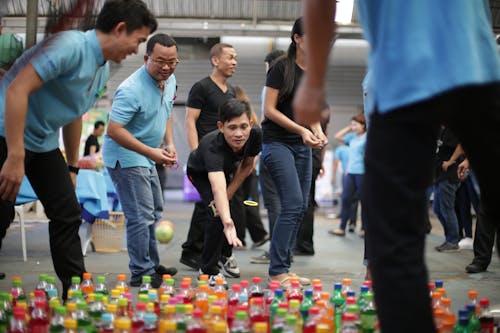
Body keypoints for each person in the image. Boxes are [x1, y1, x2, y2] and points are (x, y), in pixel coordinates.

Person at [294, 1, 500, 332]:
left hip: (405, 77)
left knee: (393, 240)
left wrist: (315, 80)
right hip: (472, 66)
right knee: (391, 237)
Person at [0, 0, 157, 299]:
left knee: (67, 213)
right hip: (6, 133)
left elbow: (74, 112)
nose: (136, 50)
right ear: (120, 29)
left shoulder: (103, 67)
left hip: (43, 143)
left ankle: (75, 291)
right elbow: (16, 89)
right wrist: (15, 153)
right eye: (138, 41)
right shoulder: (70, 47)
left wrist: (72, 166)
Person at [102, 33, 179, 288]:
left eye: (172, 62)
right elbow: (114, 130)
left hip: (148, 154)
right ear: (146, 58)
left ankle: (151, 263)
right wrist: (150, 152)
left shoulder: (169, 81)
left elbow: (167, 111)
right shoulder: (130, 89)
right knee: (140, 215)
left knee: (154, 211)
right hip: (126, 157)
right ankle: (141, 272)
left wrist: (169, 143)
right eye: (160, 61)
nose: (166, 67)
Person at [262, 17, 327, 288]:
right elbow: (269, 110)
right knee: (291, 205)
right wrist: (301, 130)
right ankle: (277, 272)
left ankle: (285, 268)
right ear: (298, 39)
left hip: (302, 145)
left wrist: (317, 130)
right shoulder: (280, 69)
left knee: (300, 207)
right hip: (277, 143)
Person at [181, 43, 238, 275]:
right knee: (215, 207)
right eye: (230, 57)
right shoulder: (201, 87)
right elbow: (190, 121)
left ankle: (193, 251)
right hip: (205, 160)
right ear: (216, 60)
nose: (235, 62)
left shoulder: (231, 91)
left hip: (224, 161)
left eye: (236, 58)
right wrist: (196, 153)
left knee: (210, 205)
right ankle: (216, 258)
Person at [186, 98, 258, 283]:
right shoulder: (213, 147)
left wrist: (230, 192)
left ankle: (225, 254)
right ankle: (207, 270)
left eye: (243, 126)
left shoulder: (255, 135)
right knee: (217, 213)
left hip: (227, 171)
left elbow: (248, 165)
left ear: (250, 124)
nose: (239, 134)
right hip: (200, 173)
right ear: (221, 126)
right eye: (232, 127)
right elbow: (217, 188)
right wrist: (226, 220)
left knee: (232, 205)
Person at [251, 49, 285, 265]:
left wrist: (256, 153)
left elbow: (265, 120)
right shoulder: (295, 84)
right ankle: (283, 249)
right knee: (286, 203)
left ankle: (275, 250)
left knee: (273, 204)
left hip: (272, 149)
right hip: (291, 151)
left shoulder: (271, 87)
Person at [232, 85, 269, 249]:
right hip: (250, 167)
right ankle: (258, 234)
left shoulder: (240, 114)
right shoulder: (250, 114)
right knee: (249, 202)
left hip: (243, 166)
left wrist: (249, 165)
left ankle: (241, 237)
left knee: (240, 202)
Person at [329, 114, 367, 237]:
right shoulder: (352, 137)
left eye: (356, 125)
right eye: (352, 125)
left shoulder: (367, 137)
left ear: (363, 125)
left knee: (364, 201)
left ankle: (364, 228)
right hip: (350, 173)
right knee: (346, 200)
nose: (354, 127)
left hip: (363, 173)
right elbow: (337, 136)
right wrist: (350, 127)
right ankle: (341, 228)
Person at [432, 126, 464, 252]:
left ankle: (453, 241)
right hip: (439, 175)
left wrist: (451, 160)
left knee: (446, 209)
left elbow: (462, 145)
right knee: (438, 209)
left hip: (449, 175)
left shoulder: (453, 129)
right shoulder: (442, 130)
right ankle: (449, 237)